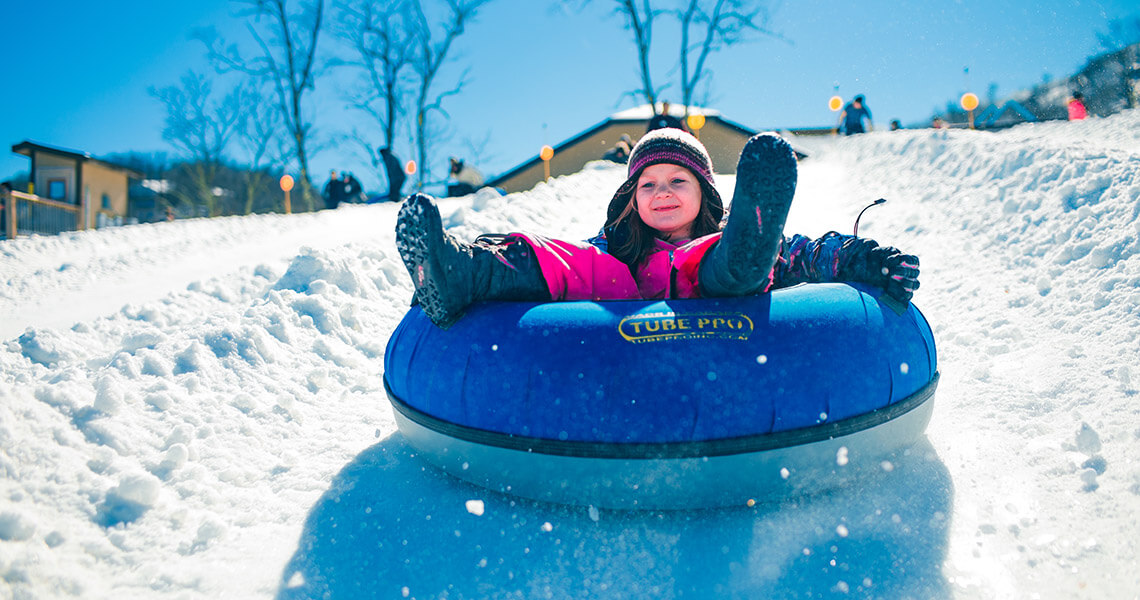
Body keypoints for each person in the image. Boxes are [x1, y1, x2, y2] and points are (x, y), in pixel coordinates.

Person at [395, 128, 920, 329]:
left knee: (719, 259)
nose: (662, 192)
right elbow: (559, 268)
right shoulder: (620, 245)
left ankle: (749, 239)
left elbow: (809, 255)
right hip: (628, 291)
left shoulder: (711, 239)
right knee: (566, 259)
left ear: (706, 194)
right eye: (647, 186)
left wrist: (864, 259)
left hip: (717, 279)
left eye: (677, 181)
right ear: (631, 199)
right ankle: (455, 272)